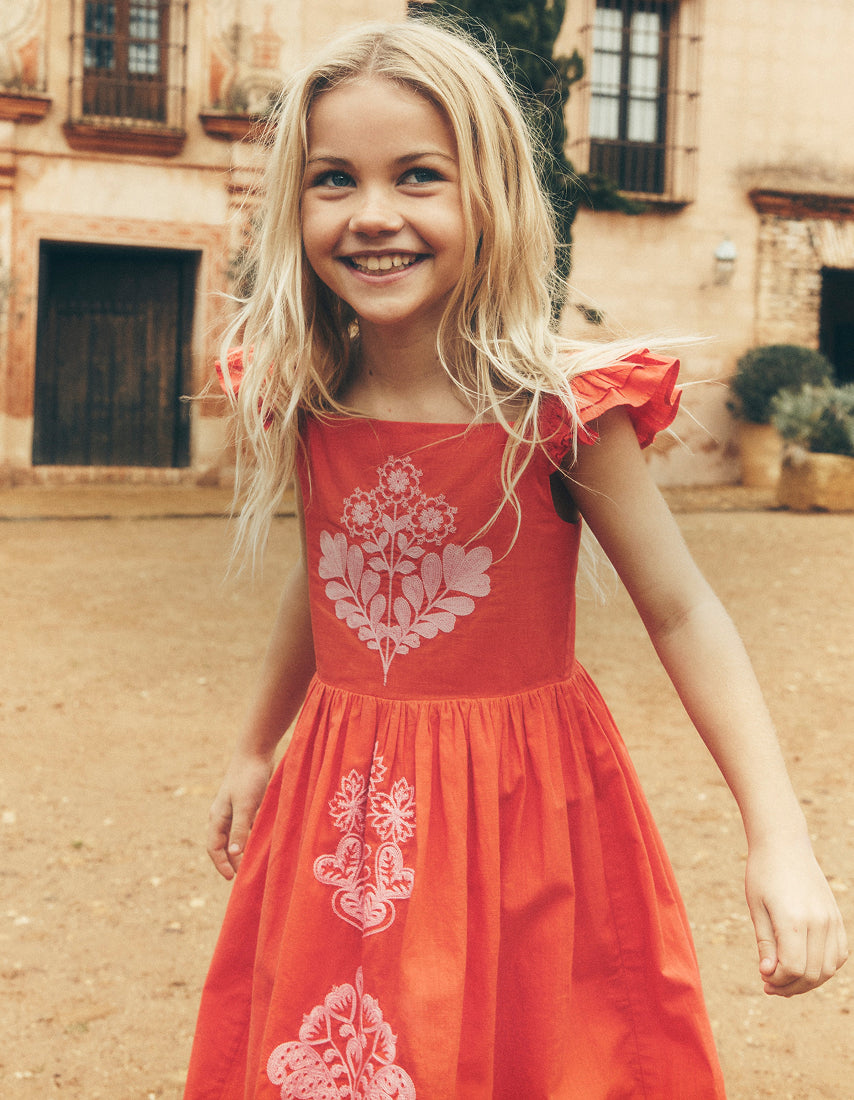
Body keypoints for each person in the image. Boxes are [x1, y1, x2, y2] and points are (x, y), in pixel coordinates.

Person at [184, 18, 847, 1100]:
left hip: (523, 816)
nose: (372, 215)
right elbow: (331, 573)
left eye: (418, 175)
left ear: (487, 190)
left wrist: (778, 839)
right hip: (341, 810)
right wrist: (255, 743)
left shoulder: (559, 411)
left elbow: (680, 610)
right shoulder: (304, 390)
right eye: (332, 179)